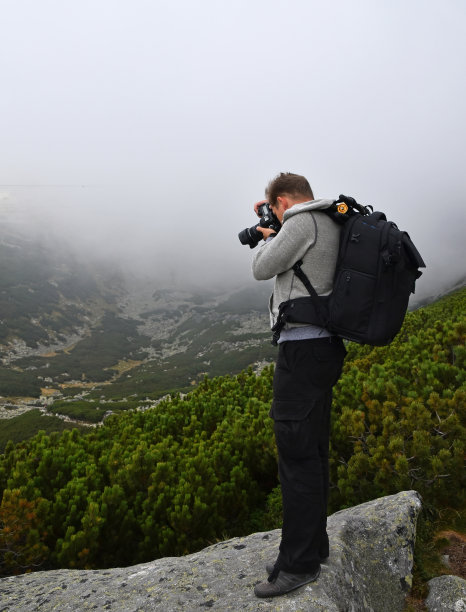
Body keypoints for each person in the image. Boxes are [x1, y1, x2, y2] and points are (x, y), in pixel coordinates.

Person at [251, 172, 347, 598]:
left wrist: (269, 234)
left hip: (302, 352)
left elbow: (261, 267)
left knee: (295, 455)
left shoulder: (301, 222)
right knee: (314, 450)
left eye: (273, 208)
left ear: (283, 201)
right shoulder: (331, 219)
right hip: (324, 349)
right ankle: (314, 545)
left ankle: (299, 564)